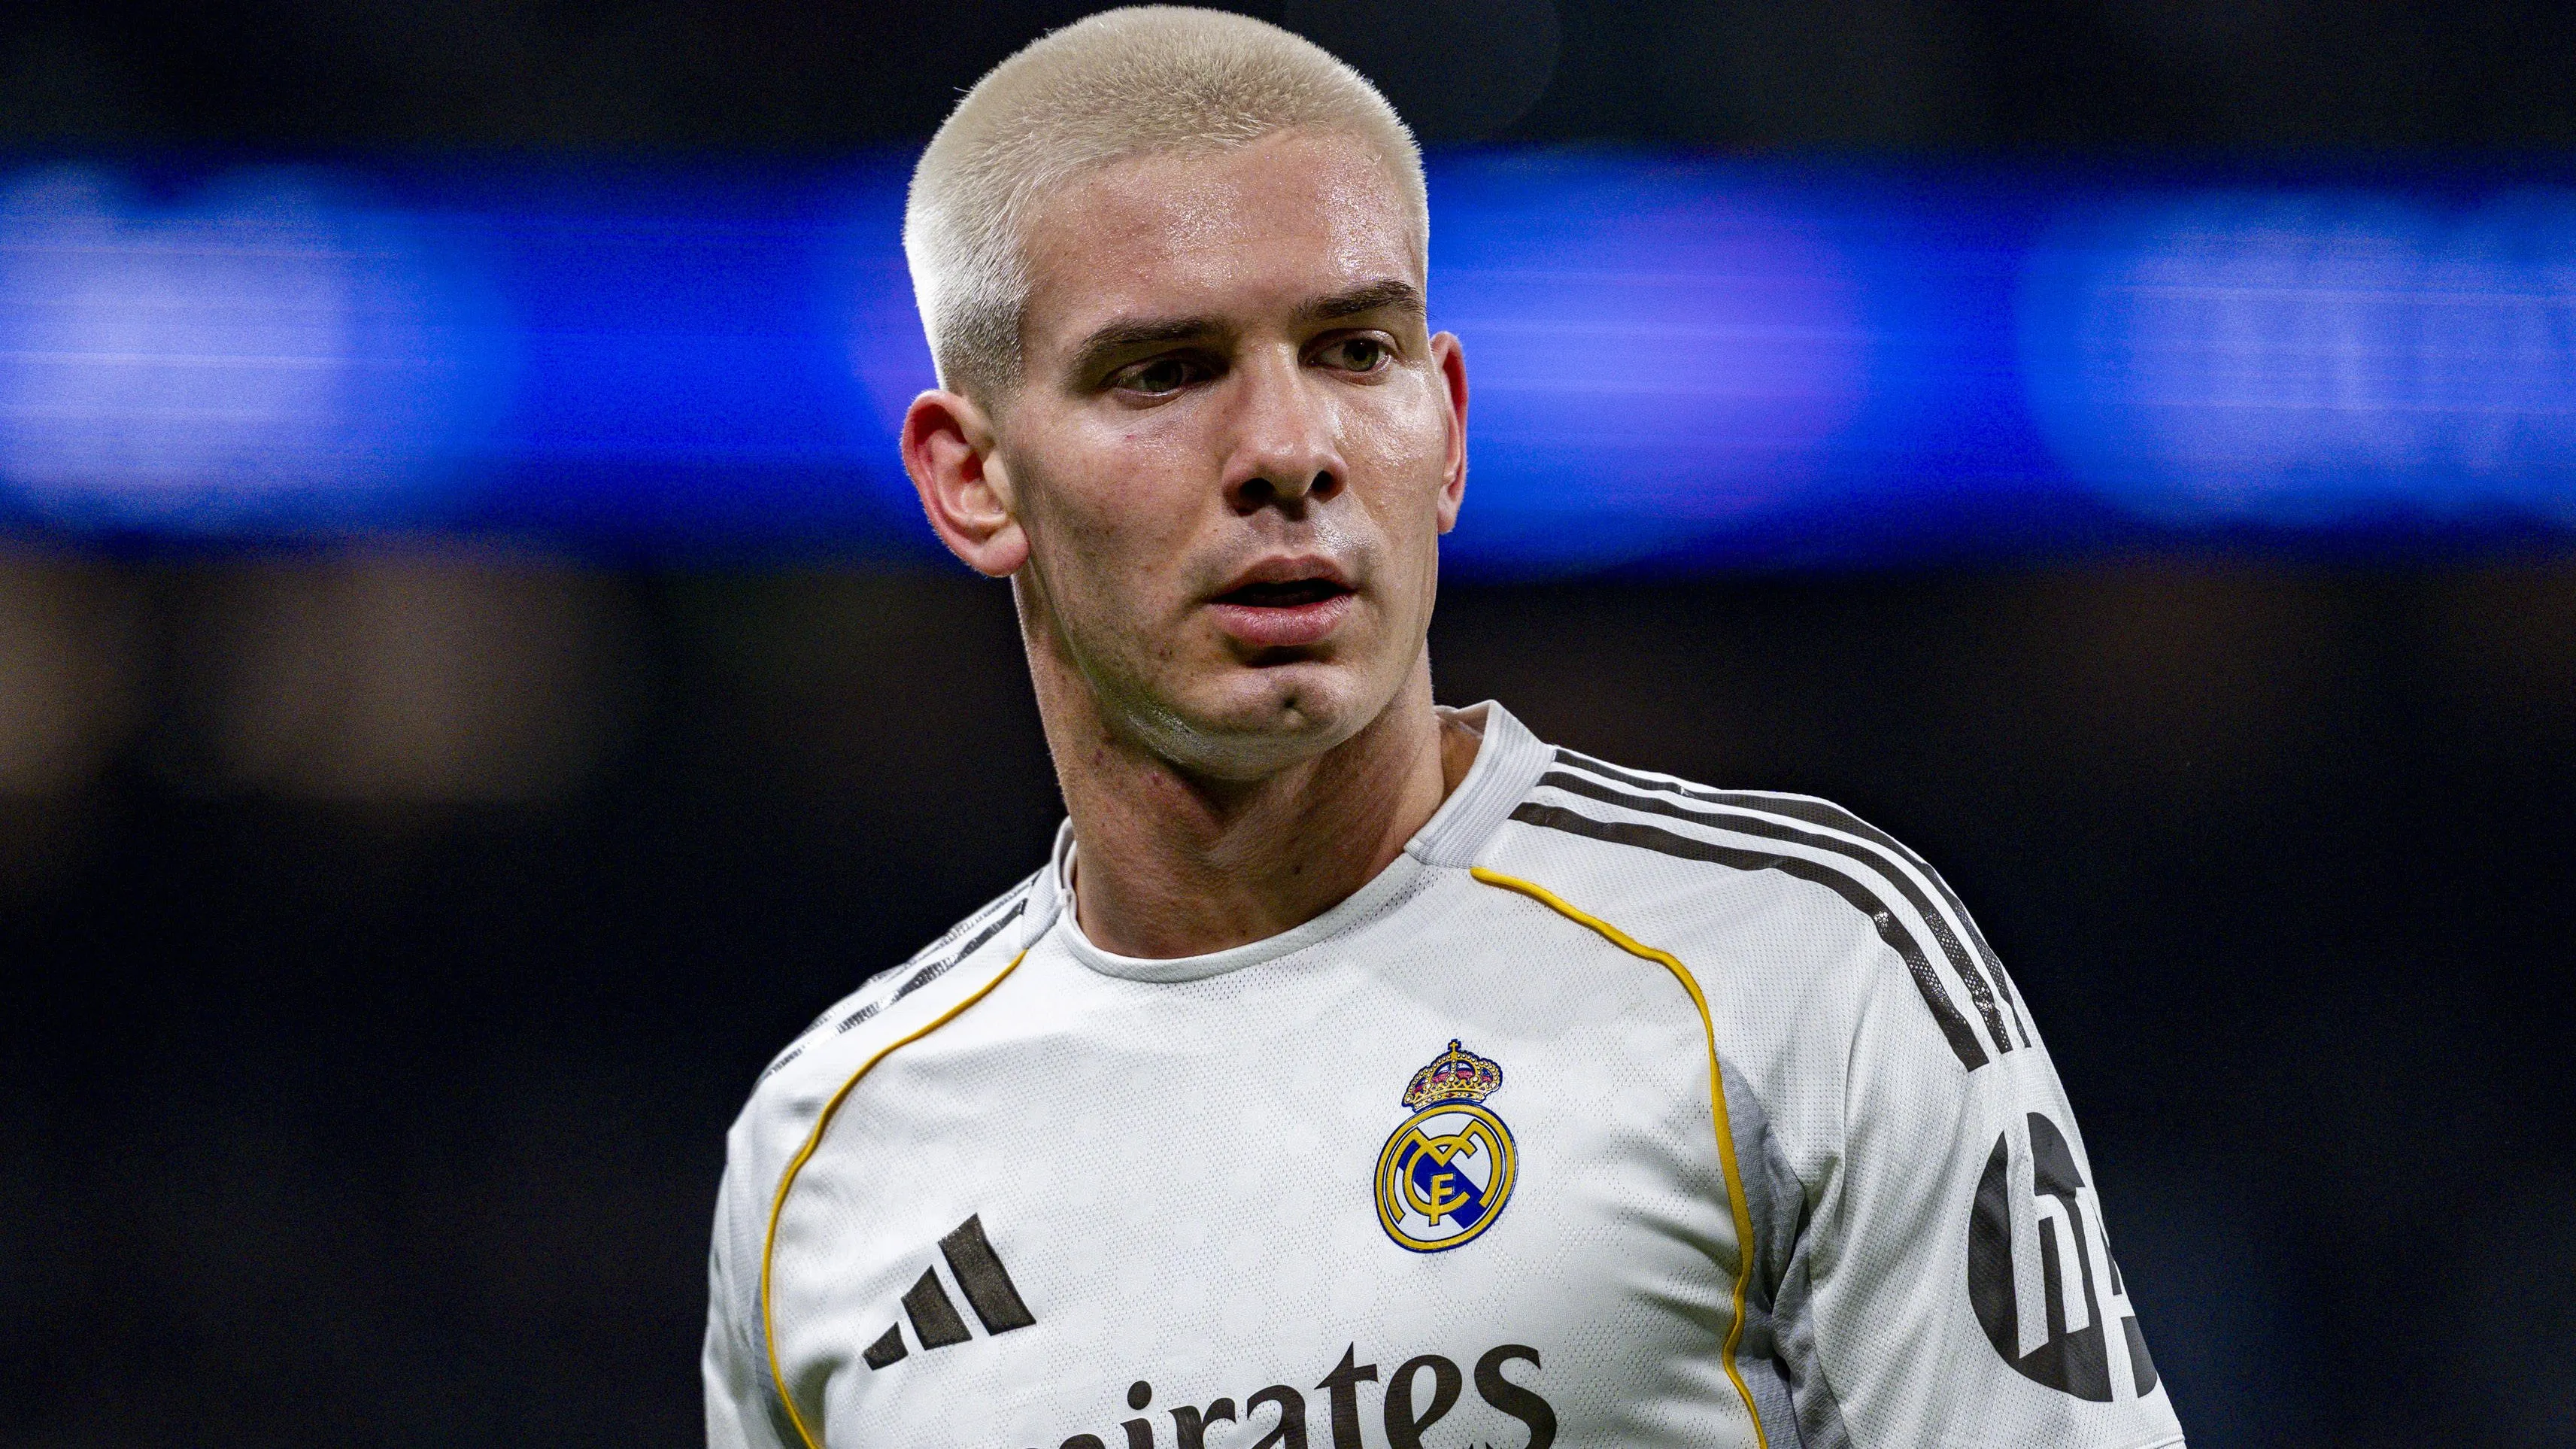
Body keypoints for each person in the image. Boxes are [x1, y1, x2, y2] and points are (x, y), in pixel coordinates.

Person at [705, 9, 2186, 1448]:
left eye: (1354, 352)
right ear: (972, 478)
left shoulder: (1798, 976)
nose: (1288, 452)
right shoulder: (826, 1162)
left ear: (1449, 428)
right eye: (1162, 372)